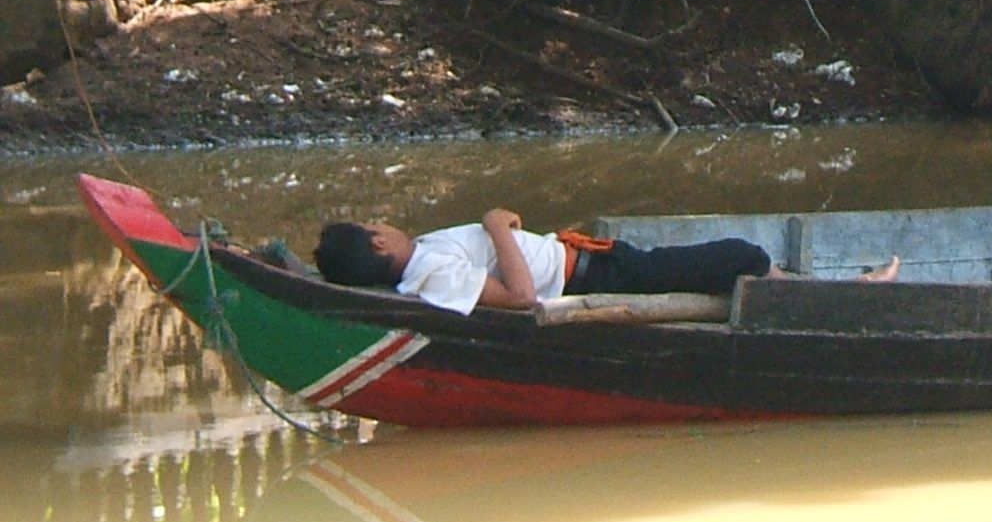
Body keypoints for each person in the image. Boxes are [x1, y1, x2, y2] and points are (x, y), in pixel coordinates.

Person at [311, 207, 898, 315]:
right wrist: (496, 228)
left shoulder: (424, 260)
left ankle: (818, 290)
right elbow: (519, 299)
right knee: (740, 256)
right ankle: (843, 295)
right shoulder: (430, 274)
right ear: (380, 245)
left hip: (600, 259)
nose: (382, 222)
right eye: (373, 226)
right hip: (605, 276)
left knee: (729, 260)